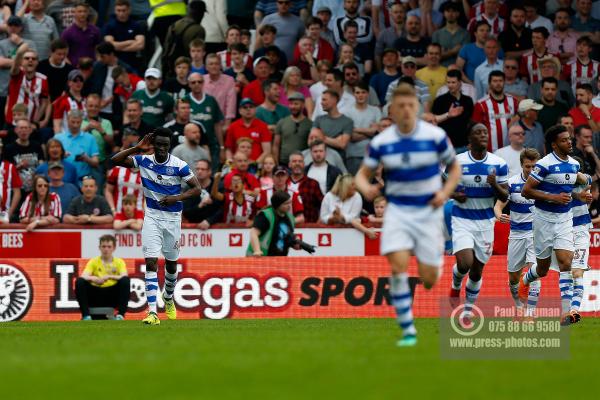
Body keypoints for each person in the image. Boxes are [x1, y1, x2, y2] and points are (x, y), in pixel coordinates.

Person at [355, 83, 460, 346]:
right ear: (392, 109)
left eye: (410, 105)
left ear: (417, 107)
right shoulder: (382, 142)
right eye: (400, 106)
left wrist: (445, 192)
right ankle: (408, 330)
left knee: (428, 279)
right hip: (398, 212)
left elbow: (455, 167)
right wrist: (365, 188)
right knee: (398, 266)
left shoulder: (434, 136)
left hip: (428, 213)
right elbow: (361, 174)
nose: (405, 110)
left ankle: (435, 262)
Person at [111, 127, 201, 325]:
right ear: (153, 144)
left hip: (173, 219)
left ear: (169, 146)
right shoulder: (144, 160)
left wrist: (176, 198)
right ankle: (152, 312)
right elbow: (115, 161)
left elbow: (197, 189)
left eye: (165, 145)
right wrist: (137, 148)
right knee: (151, 262)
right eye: (158, 144)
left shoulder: (179, 165)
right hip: (151, 217)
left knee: (171, 264)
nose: (161, 148)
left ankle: (168, 297)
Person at [519, 124, 591, 325]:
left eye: (570, 139)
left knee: (565, 262)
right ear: (554, 144)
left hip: (564, 220)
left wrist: (579, 195)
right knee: (542, 269)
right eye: (564, 140)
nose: (570, 142)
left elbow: (568, 190)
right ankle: (526, 279)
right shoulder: (544, 164)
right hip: (543, 220)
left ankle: (567, 313)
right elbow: (526, 191)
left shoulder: (574, 165)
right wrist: (552, 197)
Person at [449, 123, 509, 327]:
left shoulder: (498, 163)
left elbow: (505, 195)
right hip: (462, 219)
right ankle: (455, 284)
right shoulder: (457, 162)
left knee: (476, 272)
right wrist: (456, 194)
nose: (483, 135)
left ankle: (466, 312)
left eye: (485, 132)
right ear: (470, 138)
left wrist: (494, 185)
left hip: (485, 223)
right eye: (478, 132)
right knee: (464, 263)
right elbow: (446, 188)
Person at [493, 148, 541, 316]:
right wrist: (500, 216)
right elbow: (498, 206)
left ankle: (531, 314)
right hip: (516, 235)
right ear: (522, 165)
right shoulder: (512, 184)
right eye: (528, 166)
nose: (531, 169)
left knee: (534, 272)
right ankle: (519, 308)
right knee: (513, 280)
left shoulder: (545, 183)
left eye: (535, 166)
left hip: (536, 235)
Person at [75, 234, 130, 320]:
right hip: (96, 294)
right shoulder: (93, 261)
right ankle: (86, 315)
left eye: (109, 247)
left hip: (112, 295)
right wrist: (95, 279)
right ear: (99, 247)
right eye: (103, 246)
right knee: (79, 281)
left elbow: (124, 276)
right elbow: (84, 276)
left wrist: (109, 276)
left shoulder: (119, 262)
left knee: (125, 281)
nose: (106, 249)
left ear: (114, 248)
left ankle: (120, 315)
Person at [185, 71, 225, 170]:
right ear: (189, 84)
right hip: (191, 146)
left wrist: (222, 147)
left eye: (199, 82)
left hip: (211, 145)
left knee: (211, 175)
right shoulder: (184, 100)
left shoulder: (211, 100)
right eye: (193, 82)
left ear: (203, 83)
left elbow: (217, 125)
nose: (197, 84)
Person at [472, 70, 519, 152]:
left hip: (510, 149)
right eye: (495, 81)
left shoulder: (513, 101)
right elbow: (476, 130)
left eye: (500, 81)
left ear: (504, 82)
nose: (498, 84)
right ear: (489, 83)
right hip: (489, 151)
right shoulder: (481, 104)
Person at [6, 46, 50, 133]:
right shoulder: (17, 75)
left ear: (37, 62)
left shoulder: (43, 79)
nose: (30, 60)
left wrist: (35, 122)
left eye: (33, 59)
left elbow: (44, 103)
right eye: (27, 58)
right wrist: (19, 53)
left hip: (30, 125)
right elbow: (14, 68)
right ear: (21, 62)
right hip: (12, 124)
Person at [161, 0, 206, 78]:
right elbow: (196, 54)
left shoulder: (174, 25)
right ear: (200, 13)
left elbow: (166, 47)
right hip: (187, 69)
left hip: (171, 66)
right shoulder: (198, 30)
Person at [432, 69, 474, 152]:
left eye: (453, 82)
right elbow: (434, 121)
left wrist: (472, 141)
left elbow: (471, 122)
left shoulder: (468, 100)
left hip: (465, 145)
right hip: (446, 146)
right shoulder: (439, 100)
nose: (450, 85)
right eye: (448, 82)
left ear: (460, 83)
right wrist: (448, 115)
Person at [248, 190, 299, 256]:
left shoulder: (290, 218)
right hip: (261, 258)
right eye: (286, 203)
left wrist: (296, 244)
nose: (289, 206)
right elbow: (253, 233)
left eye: (290, 203)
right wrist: (257, 251)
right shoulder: (265, 215)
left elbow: (285, 238)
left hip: (280, 260)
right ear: (277, 204)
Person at [54, 110, 100, 181]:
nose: (75, 125)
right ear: (67, 120)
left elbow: (96, 162)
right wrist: (60, 155)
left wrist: (87, 159)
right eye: (73, 122)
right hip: (63, 179)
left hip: (83, 180)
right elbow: (50, 160)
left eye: (78, 122)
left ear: (81, 121)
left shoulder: (90, 138)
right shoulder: (58, 138)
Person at [346, 82, 381, 175]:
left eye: (363, 92)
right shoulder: (347, 113)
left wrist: (356, 129)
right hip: (353, 156)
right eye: (357, 92)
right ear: (353, 94)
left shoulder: (376, 110)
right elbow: (352, 137)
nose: (360, 95)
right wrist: (371, 132)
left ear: (368, 93)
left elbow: (379, 132)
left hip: (373, 155)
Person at [2, 119, 44, 195]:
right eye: (21, 128)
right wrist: (18, 167)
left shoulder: (36, 146)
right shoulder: (9, 148)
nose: (23, 130)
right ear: (16, 130)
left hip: (35, 189)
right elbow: (5, 171)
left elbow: (42, 163)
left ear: (30, 130)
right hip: (18, 190)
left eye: (26, 128)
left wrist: (40, 166)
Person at [225, 98, 272, 164]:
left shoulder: (263, 126)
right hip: (238, 165)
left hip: (257, 166)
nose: (248, 109)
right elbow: (229, 149)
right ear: (239, 111)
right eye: (245, 107)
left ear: (255, 109)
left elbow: (267, 151)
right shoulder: (233, 126)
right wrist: (230, 163)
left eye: (251, 107)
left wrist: (254, 164)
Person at [103, 0, 145, 73]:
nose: (121, 13)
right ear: (115, 11)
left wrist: (119, 47)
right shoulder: (109, 26)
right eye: (118, 10)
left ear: (129, 10)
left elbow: (140, 45)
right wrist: (129, 42)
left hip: (133, 63)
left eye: (124, 10)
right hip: (116, 64)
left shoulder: (136, 25)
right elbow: (109, 45)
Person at [312, 90, 353, 159]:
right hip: (319, 159)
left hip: (337, 160)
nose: (321, 103)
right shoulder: (319, 119)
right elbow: (312, 140)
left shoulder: (347, 121)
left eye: (324, 100)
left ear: (334, 100)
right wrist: (336, 140)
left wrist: (321, 137)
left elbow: (343, 144)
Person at [182, 159, 223, 228]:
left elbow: (222, 209)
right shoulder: (189, 188)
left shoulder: (218, 186)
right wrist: (199, 206)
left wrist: (209, 221)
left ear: (209, 171)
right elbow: (186, 212)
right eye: (197, 169)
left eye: (203, 169)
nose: (199, 171)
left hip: (216, 228)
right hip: (194, 228)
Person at [273, 92, 311, 165]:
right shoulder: (282, 122)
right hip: (284, 163)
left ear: (303, 105)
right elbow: (276, 145)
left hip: (302, 163)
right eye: (291, 104)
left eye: (296, 104)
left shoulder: (310, 124)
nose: (293, 106)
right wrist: (276, 164)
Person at [203, 53, 237, 132]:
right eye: (211, 64)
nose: (214, 66)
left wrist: (227, 125)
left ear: (220, 66)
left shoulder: (229, 80)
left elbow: (231, 104)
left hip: (222, 124)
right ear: (206, 67)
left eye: (216, 64)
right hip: (204, 122)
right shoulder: (201, 80)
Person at [60, 2, 101, 66]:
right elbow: (62, 53)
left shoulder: (95, 30)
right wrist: (70, 67)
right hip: (74, 68)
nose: (82, 14)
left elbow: (98, 49)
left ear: (88, 13)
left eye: (85, 11)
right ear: (74, 13)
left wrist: (97, 63)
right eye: (80, 11)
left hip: (92, 67)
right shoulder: (67, 32)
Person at [288, 151, 323, 223]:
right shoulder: (283, 183)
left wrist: (318, 223)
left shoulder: (313, 184)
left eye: (300, 161)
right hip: (287, 226)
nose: (297, 163)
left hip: (309, 228)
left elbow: (322, 205)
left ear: (304, 164)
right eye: (294, 161)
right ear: (289, 164)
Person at [432, 2, 469, 67]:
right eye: (448, 11)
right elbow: (434, 57)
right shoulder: (437, 34)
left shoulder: (465, 34)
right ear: (444, 13)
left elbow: (465, 56)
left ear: (458, 14)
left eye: (453, 11)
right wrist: (453, 51)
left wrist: (444, 53)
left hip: (459, 70)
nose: (450, 14)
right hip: (440, 70)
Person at [52, 69, 85, 133]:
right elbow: (57, 125)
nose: (78, 83)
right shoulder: (61, 101)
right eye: (75, 80)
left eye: (81, 80)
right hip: (67, 139)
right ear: (69, 83)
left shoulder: (87, 100)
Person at [0, 142, 22, 223]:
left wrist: (9, 213)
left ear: (1, 150)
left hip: (3, 213)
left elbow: (17, 193)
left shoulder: (10, 167)